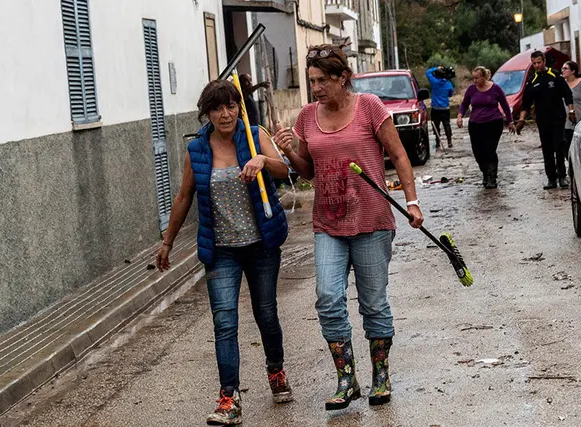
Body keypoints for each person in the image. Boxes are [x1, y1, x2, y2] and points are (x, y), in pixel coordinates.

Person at [273, 44, 424, 411]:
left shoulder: (370, 106)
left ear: (343, 78)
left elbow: (399, 155)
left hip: (372, 219)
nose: (317, 87)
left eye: (323, 80)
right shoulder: (308, 116)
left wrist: (412, 201)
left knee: (373, 303)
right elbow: (307, 171)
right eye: (312, 81)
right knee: (328, 298)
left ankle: (381, 376)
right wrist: (290, 150)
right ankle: (347, 380)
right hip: (329, 222)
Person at [155, 80, 293, 425]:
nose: (225, 113)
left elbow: (284, 170)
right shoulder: (198, 150)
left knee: (266, 314)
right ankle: (229, 398)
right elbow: (184, 197)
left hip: (261, 244)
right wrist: (168, 241)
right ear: (208, 113)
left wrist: (263, 160)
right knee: (224, 322)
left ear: (239, 107)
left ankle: (275, 370)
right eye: (217, 108)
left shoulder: (254, 135)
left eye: (231, 106)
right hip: (221, 251)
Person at [516, 51, 575, 190]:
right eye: (534, 63)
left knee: (559, 146)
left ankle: (562, 176)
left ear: (544, 61)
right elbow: (526, 103)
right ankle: (551, 179)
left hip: (558, 117)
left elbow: (568, 95)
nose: (537, 65)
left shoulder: (555, 76)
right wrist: (522, 120)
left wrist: (571, 111)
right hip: (542, 120)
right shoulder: (532, 81)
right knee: (547, 149)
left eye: (539, 62)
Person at [456, 66, 515, 189]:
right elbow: (464, 104)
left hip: (493, 123)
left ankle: (492, 177)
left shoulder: (495, 89)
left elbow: (505, 105)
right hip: (476, 124)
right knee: (478, 152)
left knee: (490, 150)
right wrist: (460, 115)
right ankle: (485, 173)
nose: (475, 81)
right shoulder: (471, 89)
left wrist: (510, 122)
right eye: (473, 78)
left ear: (484, 77)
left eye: (477, 78)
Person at [426, 65, 455, 148]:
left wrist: (436, 68)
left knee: (436, 125)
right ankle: (449, 141)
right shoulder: (449, 84)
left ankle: (438, 142)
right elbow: (450, 94)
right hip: (445, 108)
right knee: (447, 124)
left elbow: (427, 72)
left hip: (435, 108)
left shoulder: (434, 82)